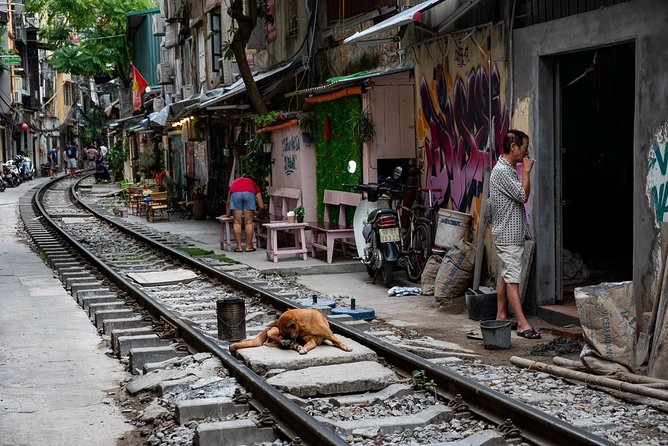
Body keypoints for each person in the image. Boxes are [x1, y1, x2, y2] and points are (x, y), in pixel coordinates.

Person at [489, 129, 541, 340]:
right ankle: (522, 324)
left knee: (505, 275)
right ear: (514, 147)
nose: (526, 152)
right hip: (508, 236)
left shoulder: (506, 168)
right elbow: (523, 196)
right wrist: (527, 172)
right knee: (512, 279)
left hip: (508, 233)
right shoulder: (503, 171)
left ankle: (501, 316)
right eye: (524, 147)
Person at [225, 175, 264, 253]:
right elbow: (261, 206)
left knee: (237, 222)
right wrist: (260, 214)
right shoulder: (253, 184)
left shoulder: (234, 183)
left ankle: (238, 247)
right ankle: (248, 246)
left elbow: (228, 202)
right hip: (249, 194)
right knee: (249, 222)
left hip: (235, 194)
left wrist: (228, 214)